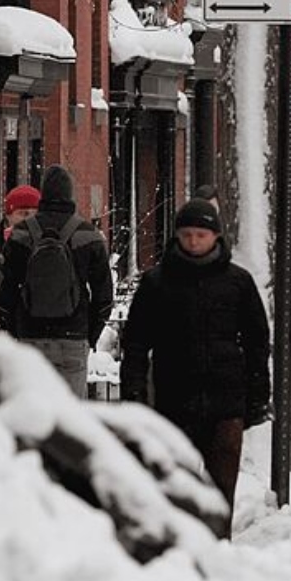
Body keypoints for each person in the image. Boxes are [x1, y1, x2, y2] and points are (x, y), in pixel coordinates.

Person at [120, 199, 271, 530]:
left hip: (226, 402)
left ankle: (217, 551)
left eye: (200, 234)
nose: (193, 242)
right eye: (187, 234)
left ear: (215, 236)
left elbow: (258, 342)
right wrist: (133, 395)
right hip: (174, 401)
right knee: (176, 489)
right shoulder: (157, 283)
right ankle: (182, 551)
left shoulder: (237, 282)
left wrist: (258, 395)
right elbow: (136, 343)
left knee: (220, 492)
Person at [0, 164, 113, 395]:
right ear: (70, 194)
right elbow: (104, 295)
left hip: (31, 337)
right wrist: (89, 335)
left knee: (34, 416)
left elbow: (5, 292)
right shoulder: (88, 234)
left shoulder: (21, 234)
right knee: (70, 419)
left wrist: (17, 329)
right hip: (72, 339)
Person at [0, 184, 41, 259]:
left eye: (36, 215)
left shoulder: (47, 247)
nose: (30, 220)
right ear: (8, 215)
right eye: (23, 214)